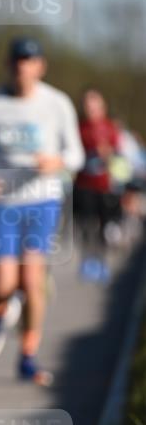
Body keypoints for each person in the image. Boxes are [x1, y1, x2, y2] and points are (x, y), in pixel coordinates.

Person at [0, 37, 84, 385]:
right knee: (4, 281)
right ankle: (1, 311)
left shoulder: (56, 103)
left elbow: (76, 156)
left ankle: (27, 355)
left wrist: (59, 162)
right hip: (4, 202)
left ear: (41, 66)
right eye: (18, 61)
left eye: (31, 61)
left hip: (42, 199)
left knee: (31, 279)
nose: (24, 67)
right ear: (9, 65)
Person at [73, 88, 121, 282]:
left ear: (102, 106)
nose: (90, 108)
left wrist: (107, 153)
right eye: (87, 104)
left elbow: (118, 155)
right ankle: (87, 261)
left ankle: (102, 262)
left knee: (104, 227)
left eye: (94, 103)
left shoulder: (110, 128)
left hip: (104, 185)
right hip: (84, 184)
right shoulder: (80, 127)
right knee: (86, 224)